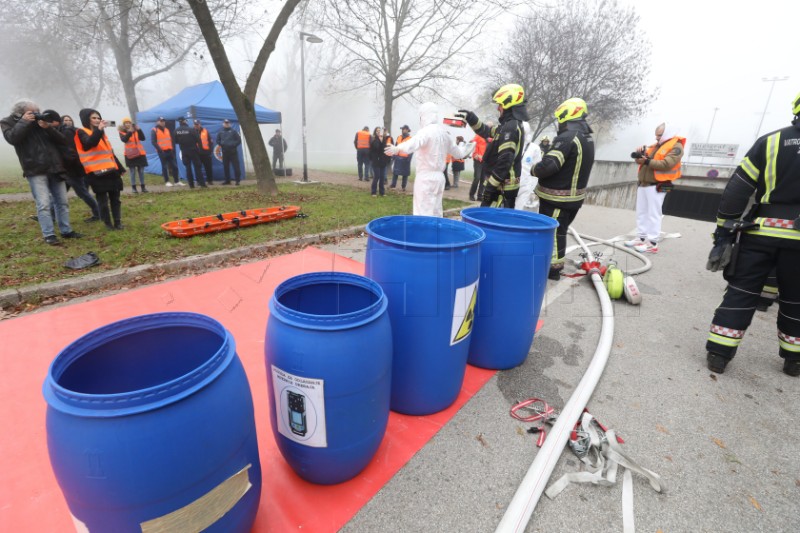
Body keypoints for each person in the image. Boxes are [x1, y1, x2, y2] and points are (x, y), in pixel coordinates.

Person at [703, 91, 800, 377]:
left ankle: (718, 354)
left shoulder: (771, 141)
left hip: (762, 232)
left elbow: (738, 189)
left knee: (741, 292)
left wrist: (724, 231)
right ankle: (794, 360)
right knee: (796, 299)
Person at [1, 101, 83, 245]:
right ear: (21, 112)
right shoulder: (7, 122)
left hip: (55, 166)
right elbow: (12, 138)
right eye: (32, 112)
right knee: (44, 203)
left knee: (62, 202)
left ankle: (66, 230)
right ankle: (49, 234)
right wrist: (24, 122)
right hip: (35, 168)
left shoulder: (42, 121)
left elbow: (63, 140)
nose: (36, 113)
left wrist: (48, 127)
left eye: (37, 110)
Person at [533, 97, 595, 280]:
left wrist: (534, 168)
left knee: (552, 233)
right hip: (574, 198)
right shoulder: (587, 138)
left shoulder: (568, 138)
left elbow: (549, 165)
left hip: (557, 199)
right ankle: (553, 264)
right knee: (560, 232)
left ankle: (552, 269)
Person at [385, 102, 473, 217]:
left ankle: (424, 234)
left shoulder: (426, 132)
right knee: (436, 212)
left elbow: (413, 144)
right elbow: (458, 153)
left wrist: (397, 148)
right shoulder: (443, 133)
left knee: (422, 212)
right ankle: (436, 233)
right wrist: (467, 147)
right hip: (439, 178)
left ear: (424, 115)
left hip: (425, 178)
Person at [458, 84, 529, 208]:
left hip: (502, 189)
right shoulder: (508, 125)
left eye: (500, 105)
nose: (498, 108)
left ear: (507, 105)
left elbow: (504, 162)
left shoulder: (510, 128)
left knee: (492, 222)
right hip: (501, 186)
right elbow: (486, 131)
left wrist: (490, 188)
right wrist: (471, 117)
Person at [624, 122, 685, 254]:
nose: (657, 138)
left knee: (654, 214)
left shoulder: (676, 146)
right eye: (656, 135)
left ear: (667, 133)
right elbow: (643, 161)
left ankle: (652, 243)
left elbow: (666, 164)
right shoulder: (656, 146)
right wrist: (640, 156)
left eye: (659, 135)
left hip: (658, 185)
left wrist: (646, 160)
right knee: (642, 212)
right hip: (644, 183)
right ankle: (641, 238)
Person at [76, 108, 126, 230]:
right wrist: (99, 130)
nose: (97, 120)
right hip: (96, 173)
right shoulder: (81, 132)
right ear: (86, 119)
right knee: (102, 200)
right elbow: (90, 143)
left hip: (111, 171)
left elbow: (109, 152)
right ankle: (108, 223)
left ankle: (118, 222)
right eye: (94, 118)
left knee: (115, 198)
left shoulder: (102, 134)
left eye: (99, 118)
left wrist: (120, 167)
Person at [59, 114, 101, 221]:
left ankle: (98, 213)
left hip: (74, 168)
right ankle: (51, 215)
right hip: (65, 169)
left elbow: (80, 147)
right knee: (60, 193)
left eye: (69, 120)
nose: (67, 122)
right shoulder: (59, 133)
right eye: (65, 120)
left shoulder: (77, 132)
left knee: (82, 193)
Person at [515, 122, 542, 212]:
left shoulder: (535, 148)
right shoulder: (512, 145)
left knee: (519, 212)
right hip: (510, 185)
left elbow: (537, 169)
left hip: (525, 186)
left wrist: (531, 188)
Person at [118, 117, 148, 193]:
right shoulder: (122, 132)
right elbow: (124, 140)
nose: (128, 124)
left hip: (140, 153)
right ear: (124, 125)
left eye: (129, 123)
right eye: (126, 123)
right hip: (130, 154)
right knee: (132, 171)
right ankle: (134, 188)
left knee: (141, 171)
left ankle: (143, 187)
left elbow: (143, 138)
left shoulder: (136, 131)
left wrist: (139, 129)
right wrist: (130, 132)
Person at [174, 118, 205, 188]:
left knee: (188, 168)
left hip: (184, 151)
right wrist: (201, 150)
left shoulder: (176, 131)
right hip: (193, 150)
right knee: (197, 167)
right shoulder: (191, 130)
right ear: (185, 121)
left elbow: (175, 141)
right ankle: (202, 184)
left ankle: (191, 185)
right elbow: (198, 140)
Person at [151, 116, 180, 187]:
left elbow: (170, 139)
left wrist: (172, 148)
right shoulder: (154, 130)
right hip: (162, 152)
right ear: (157, 122)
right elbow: (153, 142)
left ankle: (176, 181)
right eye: (161, 121)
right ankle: (167, 181)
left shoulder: (167, 129)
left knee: (175, 166)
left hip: (169, 150)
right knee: (165, 166)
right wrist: (160, 150)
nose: (163, 122)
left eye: (163, 121)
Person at [216, 118, 242, 185]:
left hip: (233, 152)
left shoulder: (234, 131)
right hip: (225, 152)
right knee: (226, 167)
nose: (226, 124)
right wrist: (222, 144)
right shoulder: (220, 132)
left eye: (227, 123)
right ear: (223, 124)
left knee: (236, 167)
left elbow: (239, 140)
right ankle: (227, 181)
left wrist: (233, 145)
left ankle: (237, 181)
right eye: (225, 123)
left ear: (230, 124)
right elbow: (217, 140)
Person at [369, 127, 392, 197]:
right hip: (376, 162)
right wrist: (379, 139)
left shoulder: (384, 140)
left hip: (383, 161)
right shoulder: (374, 140)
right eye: (377, 131)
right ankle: (373, 192)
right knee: (377, 177)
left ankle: (382, 192)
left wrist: (387, 159)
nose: (379, 132)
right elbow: (376, 147)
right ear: (375, 132)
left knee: (382, 177)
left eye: (380, 131)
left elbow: (384, 149)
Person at [468, 127, 490, 201]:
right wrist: (475, 154)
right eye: (488, 127)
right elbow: (471, 143)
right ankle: (471, 194)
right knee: (477, 178)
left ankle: (480, 196)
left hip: (486, 161)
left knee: (483, 179)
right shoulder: (479, 135)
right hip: (478, 160)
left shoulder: (491, 138)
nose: (489, 128)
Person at [390, 125, 413, 191]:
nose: (404, 130)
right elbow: (396, 147)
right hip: (397, 157)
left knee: (405, 174)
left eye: (405, 129)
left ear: (408, 130)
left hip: (406, 159)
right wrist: (394, 155)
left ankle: (403, 187)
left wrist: (409, 158)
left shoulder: (410, 139)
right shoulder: (399, 137)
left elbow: (412, 149)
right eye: (403, 129)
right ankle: (393, 185)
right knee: (395, 173)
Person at [194, 119, 215, 185]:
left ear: (200, 124)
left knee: (208, 167)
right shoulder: (192, 131)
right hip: (197, 153)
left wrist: (210, 151)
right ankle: (199, 181)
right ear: (193, 125)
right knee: (198, 168)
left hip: (206, 153)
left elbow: (210, 141)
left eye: (197, 124)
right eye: (195, 124)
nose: (196, 126)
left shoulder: (205, 131)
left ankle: (210, 180)